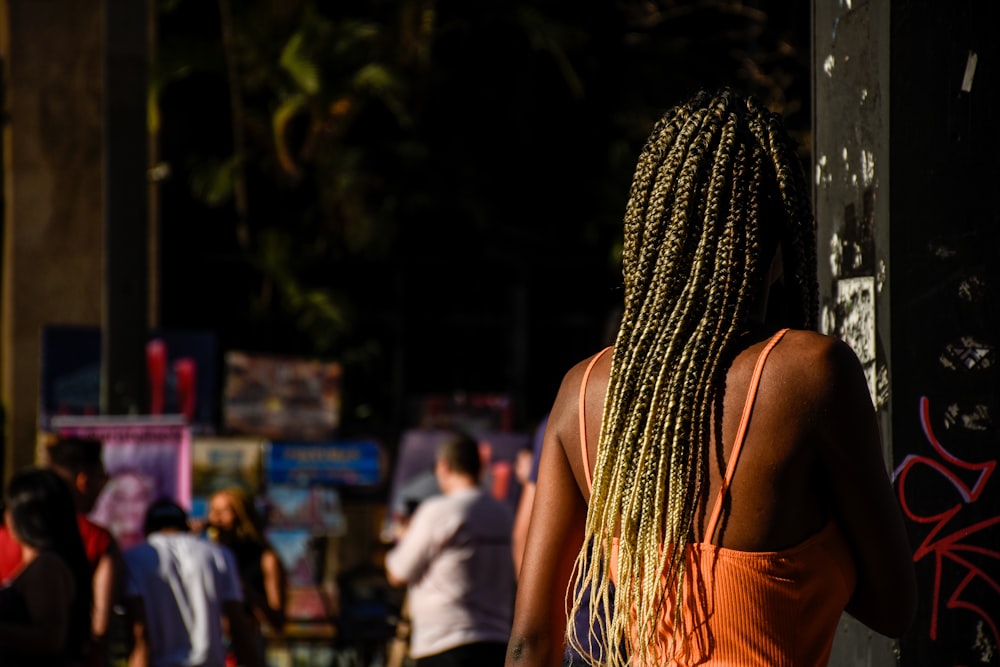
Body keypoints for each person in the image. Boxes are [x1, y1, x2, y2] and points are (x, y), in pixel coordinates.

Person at [506, 87, 917, 667]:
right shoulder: (811, 375)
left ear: (653, 243)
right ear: (778, 249)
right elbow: (894, 605)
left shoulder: (584, 391)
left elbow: (531, 643)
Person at [385, 431, 515, 667]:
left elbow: (397, 573)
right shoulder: (504, 514)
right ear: (480, 468)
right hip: (497, 641)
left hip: (444, 643)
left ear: (443, 467)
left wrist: (406, 537)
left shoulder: (438, 511)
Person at [0, 436, 124, 667]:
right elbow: (101, 626)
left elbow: (50, 637)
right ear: (83, 480)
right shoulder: (95, 539)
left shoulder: (44, 563)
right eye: (102, 479)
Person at [122, 497, 264, 667]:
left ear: (147, 529)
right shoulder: (218, 555)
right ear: (185, 525)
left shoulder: (134, 559)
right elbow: (237, 625)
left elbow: (139, 632)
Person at [0, 466, 94, 667]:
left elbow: (50, 638)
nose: (6, 517)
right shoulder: (40, 564)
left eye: (10, 509)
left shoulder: (47, 566)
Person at [206, 487, 288, 636]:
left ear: (242, 517)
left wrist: (243, 589)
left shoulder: (265, 558)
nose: (216, 518)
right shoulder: (207, 556)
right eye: (213, 510)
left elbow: (277, 621)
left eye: (224, 511)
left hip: (247, 645)